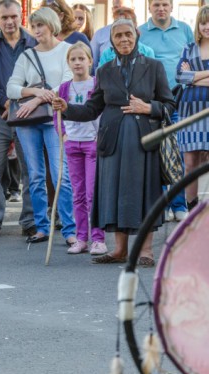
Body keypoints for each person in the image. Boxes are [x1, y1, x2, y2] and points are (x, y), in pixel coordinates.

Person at [52, 19, 175, 266]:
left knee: (145, 193)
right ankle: (119, 249)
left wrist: (149, 107)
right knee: (117, 194)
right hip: (112, 140)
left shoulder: (153, 67)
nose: (124, 40)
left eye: (128, 35)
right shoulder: (104, 70)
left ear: (136, 36)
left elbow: (170, 104)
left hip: (144, 139)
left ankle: (146, 250)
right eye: (118, 36)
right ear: (112, 40)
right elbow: (92, 108)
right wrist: (67, 109)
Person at [6, 7, 76, 246]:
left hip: (54, 117)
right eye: (34, 26)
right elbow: (12, 88)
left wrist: (37, 99)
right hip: (28, 121)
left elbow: (67, 84)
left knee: (61, 176)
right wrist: (35, 91)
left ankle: (69, 229)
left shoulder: (67, 51)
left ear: (52, 25)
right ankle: (41, 227)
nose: (36, 30)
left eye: (41, 25)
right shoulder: (26, 55)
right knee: (35, 176)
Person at [0, 0, 36, 240]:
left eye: (13, 16)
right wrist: (7, 102)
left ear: (21, 15)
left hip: (28, 114)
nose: (10, 22)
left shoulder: (34, 43)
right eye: (4, 18)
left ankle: (30, 220)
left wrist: (18, 102)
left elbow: (40, 78)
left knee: (31, 170)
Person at [139, 0, 193, 222]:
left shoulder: (185, 29)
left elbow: (193, 58)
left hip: (180, 99)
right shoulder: (141, 32)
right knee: (158, 155)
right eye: (156, 5)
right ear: (149, 7)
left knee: (178, 154)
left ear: (171, 6)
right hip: (154, 102)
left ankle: (178, 204)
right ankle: (161, 205)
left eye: (165, 4)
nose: (161, 8)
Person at [55, 42, 107, 255]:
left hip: (92, 142)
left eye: (81, 58)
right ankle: (81, 238)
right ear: (68, 62)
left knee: (92, 193)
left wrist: (99, 136)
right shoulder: (64, 88)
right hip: (72, 143)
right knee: (77, 192)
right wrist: (63, 134)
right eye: (73, 59)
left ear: (90, 60)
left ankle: (98, 238)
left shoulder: (96, 84)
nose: (77, 63)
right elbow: (56, 114)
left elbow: (102, 113)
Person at [176, 5, 209, 211]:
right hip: (190, 110)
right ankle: (192, 210)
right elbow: (179, 77)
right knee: (190, 164)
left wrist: (194, 77)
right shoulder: (189, 48)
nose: (207, 27)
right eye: (204, 22)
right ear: (198, 24)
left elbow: (188, 77)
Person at [90, 0, 134, 70]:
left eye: (124, 8)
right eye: (116, 7)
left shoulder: (140, 33)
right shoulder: (100, 35)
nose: (120, 11)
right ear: (112, 9)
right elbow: (92, 64)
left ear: (132, 9)